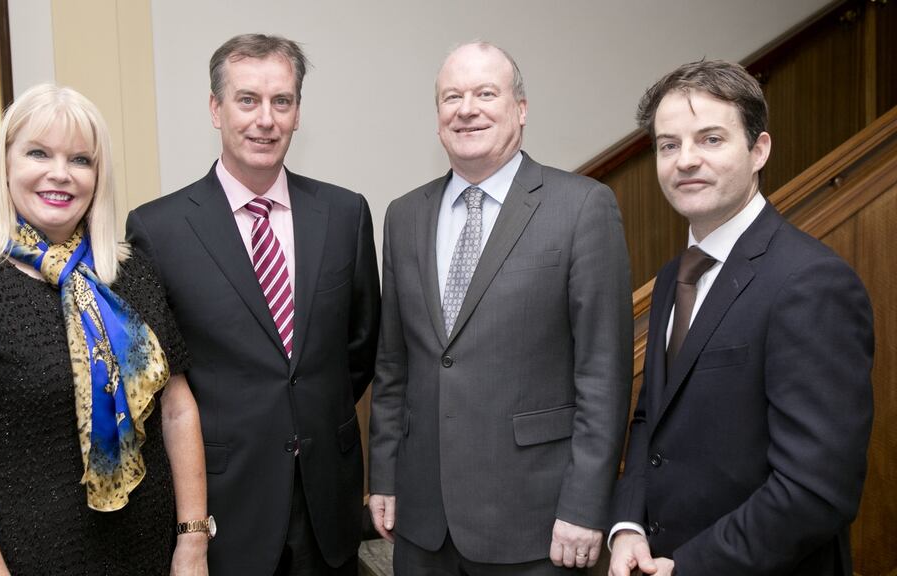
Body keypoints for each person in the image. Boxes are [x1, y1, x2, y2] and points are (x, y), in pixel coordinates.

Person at [0, 84, 210, 576]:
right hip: (20, 561)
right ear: (6, 164)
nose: (60, 173)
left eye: (80, 159)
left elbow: (177, 410)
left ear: (98, 176)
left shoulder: (129, 273)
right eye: (38, 153)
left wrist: (192, 544)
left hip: (149, 555)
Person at [368, 41, 633, 574]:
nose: (467, 109)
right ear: (438, 117)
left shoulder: (581, 206)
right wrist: (385, 476)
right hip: (423, 520)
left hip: (537, 522)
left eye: (486, 93)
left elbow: (603, 375)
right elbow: (394, 366)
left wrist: (585, 505)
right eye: (452, 97)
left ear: (521, 108)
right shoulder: (404, 215)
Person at [126, 34, 380, 575]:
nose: (266, 119)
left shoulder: (345, 214)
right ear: (215, 109)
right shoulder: (158, 229)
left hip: (327, 502)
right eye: (247, 100)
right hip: (226, 503)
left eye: (281, 101)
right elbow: (157, 381)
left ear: (297, 113)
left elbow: (359, 349)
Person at [607, 60, 874, 576]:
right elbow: (650, 420)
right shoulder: (673, 277)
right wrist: (628, 527)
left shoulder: (811, 282)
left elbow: (816, 491)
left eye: (710, 139)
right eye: (668, 145)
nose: (686, 160)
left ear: (759, 150)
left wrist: (688, 568)